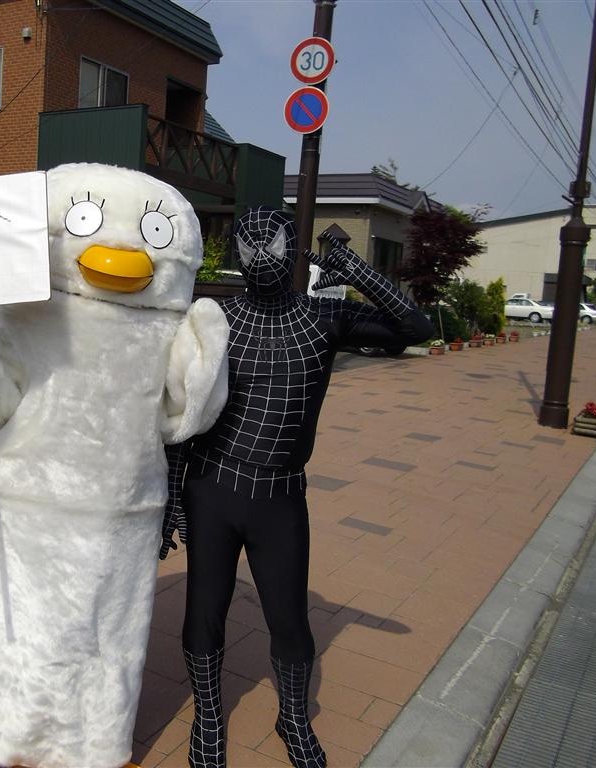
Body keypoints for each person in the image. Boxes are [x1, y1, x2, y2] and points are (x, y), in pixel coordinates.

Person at [161, 207, 433, 768]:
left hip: (281, 496)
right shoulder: (214, 317)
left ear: (292, 248)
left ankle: (293, 717)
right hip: (212, 487)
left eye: (273, 244)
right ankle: (208, 718)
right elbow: (184, 408)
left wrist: (351, 267)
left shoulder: (324, 316)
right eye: (250, 245)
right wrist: (172, 497)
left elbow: (416, 329)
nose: (262, 256)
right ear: (237, 253)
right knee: (204, 609)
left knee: (289, 618)